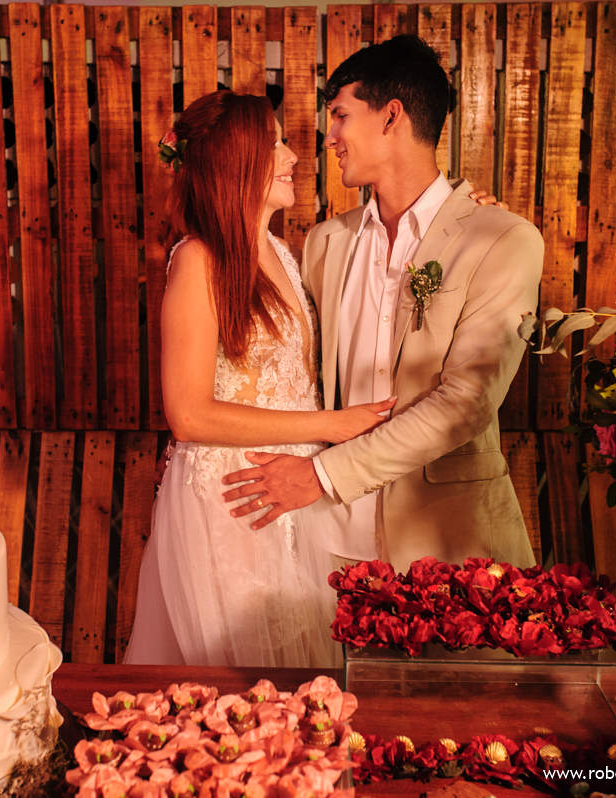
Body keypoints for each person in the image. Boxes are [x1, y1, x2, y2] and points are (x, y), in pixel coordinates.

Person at [221, 35, 542, 573]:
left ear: (391, 116)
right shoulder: (325, 243)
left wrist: (322, 475)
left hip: (446, 543)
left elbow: (467, 403)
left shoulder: (501, 240)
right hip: (325, 541)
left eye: (341, 116)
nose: (330, 138)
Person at [123, 90, 395, 667]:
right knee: (241, 678)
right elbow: (188, 414)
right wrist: (331, 426)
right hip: (233, 497)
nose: (292, 155)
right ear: (236, 161)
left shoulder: (280, 251)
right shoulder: (198, 259)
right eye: (274, 144)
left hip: (294, 491)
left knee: (303, 670)